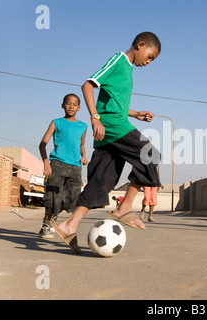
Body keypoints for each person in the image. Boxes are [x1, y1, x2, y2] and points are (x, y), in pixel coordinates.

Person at [51, 32, 162, 254]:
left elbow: (114, 103)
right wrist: (94, 118)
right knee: (151, 155)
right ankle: (125, 207)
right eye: (150, 57)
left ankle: (68, 225)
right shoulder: (119, 59)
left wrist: (135, 113)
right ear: (140, 45)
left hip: (112, 129)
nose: (148, 63)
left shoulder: (128, 71)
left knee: (102, 181)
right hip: (112, 127)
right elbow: (87, 85)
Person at [37, 93, 88, 238]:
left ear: (79, 108)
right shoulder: (56, 122)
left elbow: (81, 145)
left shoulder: (83, 126)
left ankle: (54, 219)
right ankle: (46, 226)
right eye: (68, 103)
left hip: (75, 167)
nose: (71, 106)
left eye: (74, 104)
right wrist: (46, 162)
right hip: (57, 165)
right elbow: (42, 144)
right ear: (63, 105)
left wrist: (83, 156)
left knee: (74, 200)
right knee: (53, 198)